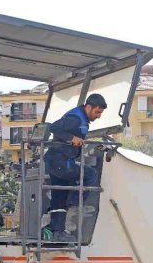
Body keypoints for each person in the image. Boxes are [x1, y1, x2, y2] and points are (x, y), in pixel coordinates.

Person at [41, 93, 107, 241]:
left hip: (55, 162)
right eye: (97, 112)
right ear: (88, 107)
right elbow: (53, 127)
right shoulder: (75, 118)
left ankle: (56, 230)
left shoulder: (79, 118)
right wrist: (72, 138)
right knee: (90, 174)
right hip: (61, 162)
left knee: (59, 195)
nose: (98, 116)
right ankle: (75, 206)